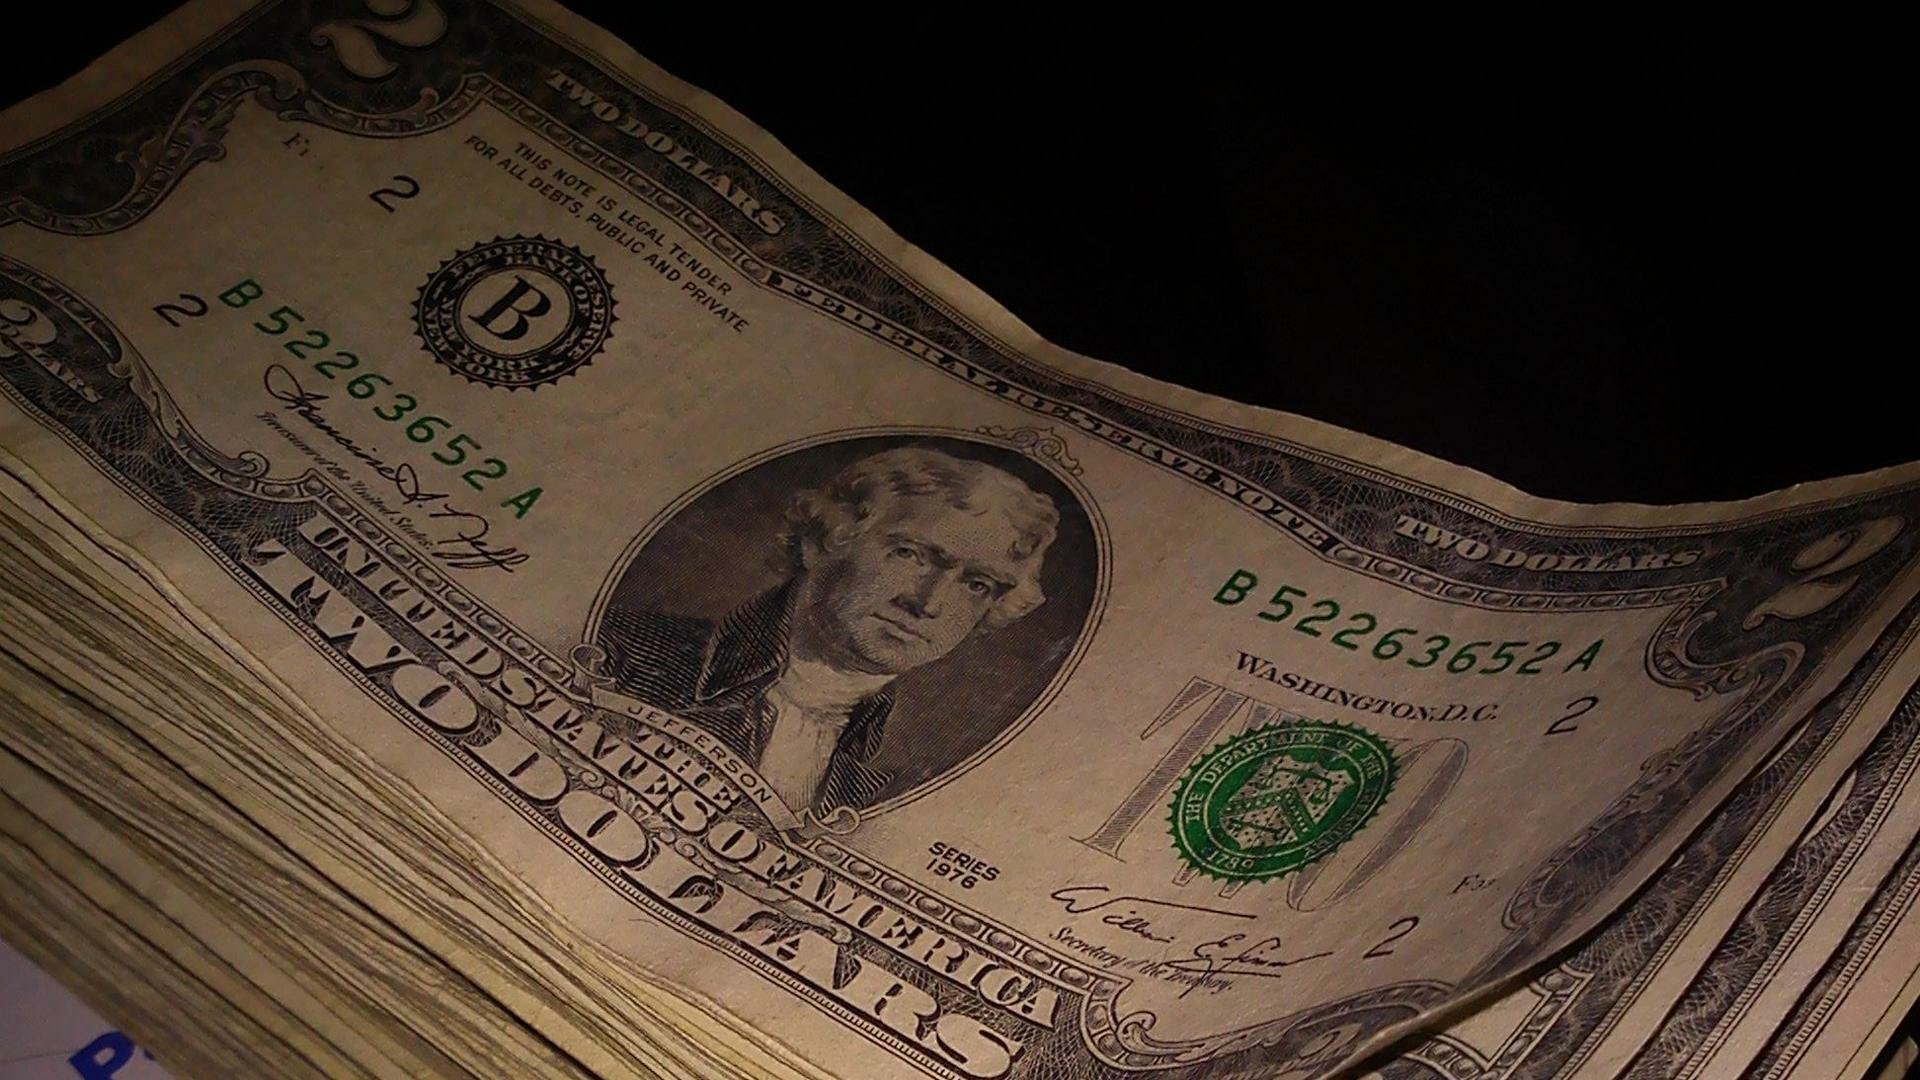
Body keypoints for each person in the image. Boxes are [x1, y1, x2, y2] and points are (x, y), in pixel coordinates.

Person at [597, 446, 1060, 815]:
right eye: (910, 555)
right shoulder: (620, 652)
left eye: (976, 584)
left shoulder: (883, 789)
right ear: (825, 541)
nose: (928, 603)